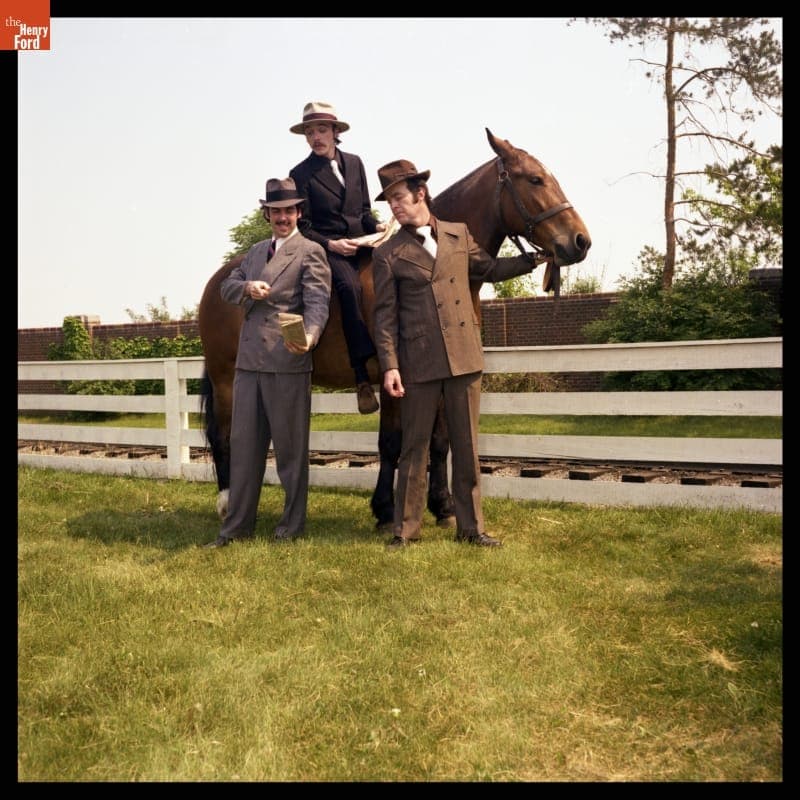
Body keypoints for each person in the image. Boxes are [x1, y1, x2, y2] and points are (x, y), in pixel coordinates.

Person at [371, 160, 540, 549]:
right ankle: (406, 529)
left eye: (399, 197)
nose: (395, 207)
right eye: (389, 202)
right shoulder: (388, 254)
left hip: (464, 356)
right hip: (418, 361)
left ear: (420, 193)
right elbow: (384, 318)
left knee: (466, 446)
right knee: (414, 449)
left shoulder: (457, 235)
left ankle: (472, 528)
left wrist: (532, 260)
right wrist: (390, 366)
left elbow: (490, 269)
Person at [202, 177, 331, 548]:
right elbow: (227, 286)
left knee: (290, 453)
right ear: (267, 214)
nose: (283, 217)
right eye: (276, 211)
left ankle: (290, 528)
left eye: (289, 211)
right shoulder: (255, 253)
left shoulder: (311, 252)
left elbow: (318, 302)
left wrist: (310, 336)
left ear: (298, 213)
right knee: (244, 451)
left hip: (287, 359)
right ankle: (235, 528)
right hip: (248, 365)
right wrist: (245, 288)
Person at [288, 100, 385, 415]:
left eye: (321, 130)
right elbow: (303, 226)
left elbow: (364, 211)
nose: (316, 137)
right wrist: (332, 246)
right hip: (327, 248)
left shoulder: (355, 163)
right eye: (310, 132)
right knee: (348, 286)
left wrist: (379, 227)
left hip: (363, 242)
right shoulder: (299, 174)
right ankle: (361, 374)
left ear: (334, 132)